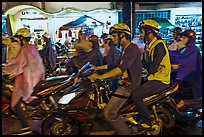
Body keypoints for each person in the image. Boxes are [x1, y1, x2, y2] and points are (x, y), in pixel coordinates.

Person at [89, 23, 142, 135]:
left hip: (129, 86)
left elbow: (120, 68)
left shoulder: (132, 48)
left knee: (109, 113)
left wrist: (100, 77)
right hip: (122, 82)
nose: (112, 39)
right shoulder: (125, 49)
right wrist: (98, 68)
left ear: (122, 35)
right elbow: (114, 64)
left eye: (114, 36)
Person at [2, 28, 45, 135]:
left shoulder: (24, 49)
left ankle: (26, 128)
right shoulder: (33, 48)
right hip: (36, 79)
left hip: (26, 80)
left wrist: (3, 69)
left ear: (21, 38)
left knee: (16, 104)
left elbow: (16, 65)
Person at [131, 19, 171, 130]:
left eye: (142, 32)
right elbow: (143, 63)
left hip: (160, 80)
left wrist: (144, 69)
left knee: (136, 96)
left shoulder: (159, 46)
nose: (141, 35)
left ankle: (147, 122)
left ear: (149, 32)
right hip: (152, 78)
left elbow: (152, 68)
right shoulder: (149, 46)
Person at [169, 29, 202, 99]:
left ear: (189, 39)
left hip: (188, 80)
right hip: (184, 78)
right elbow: (177, 54)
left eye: (184, 38)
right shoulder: (186, 48)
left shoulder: (194, 50)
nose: (182, 40)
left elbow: (181, 58)